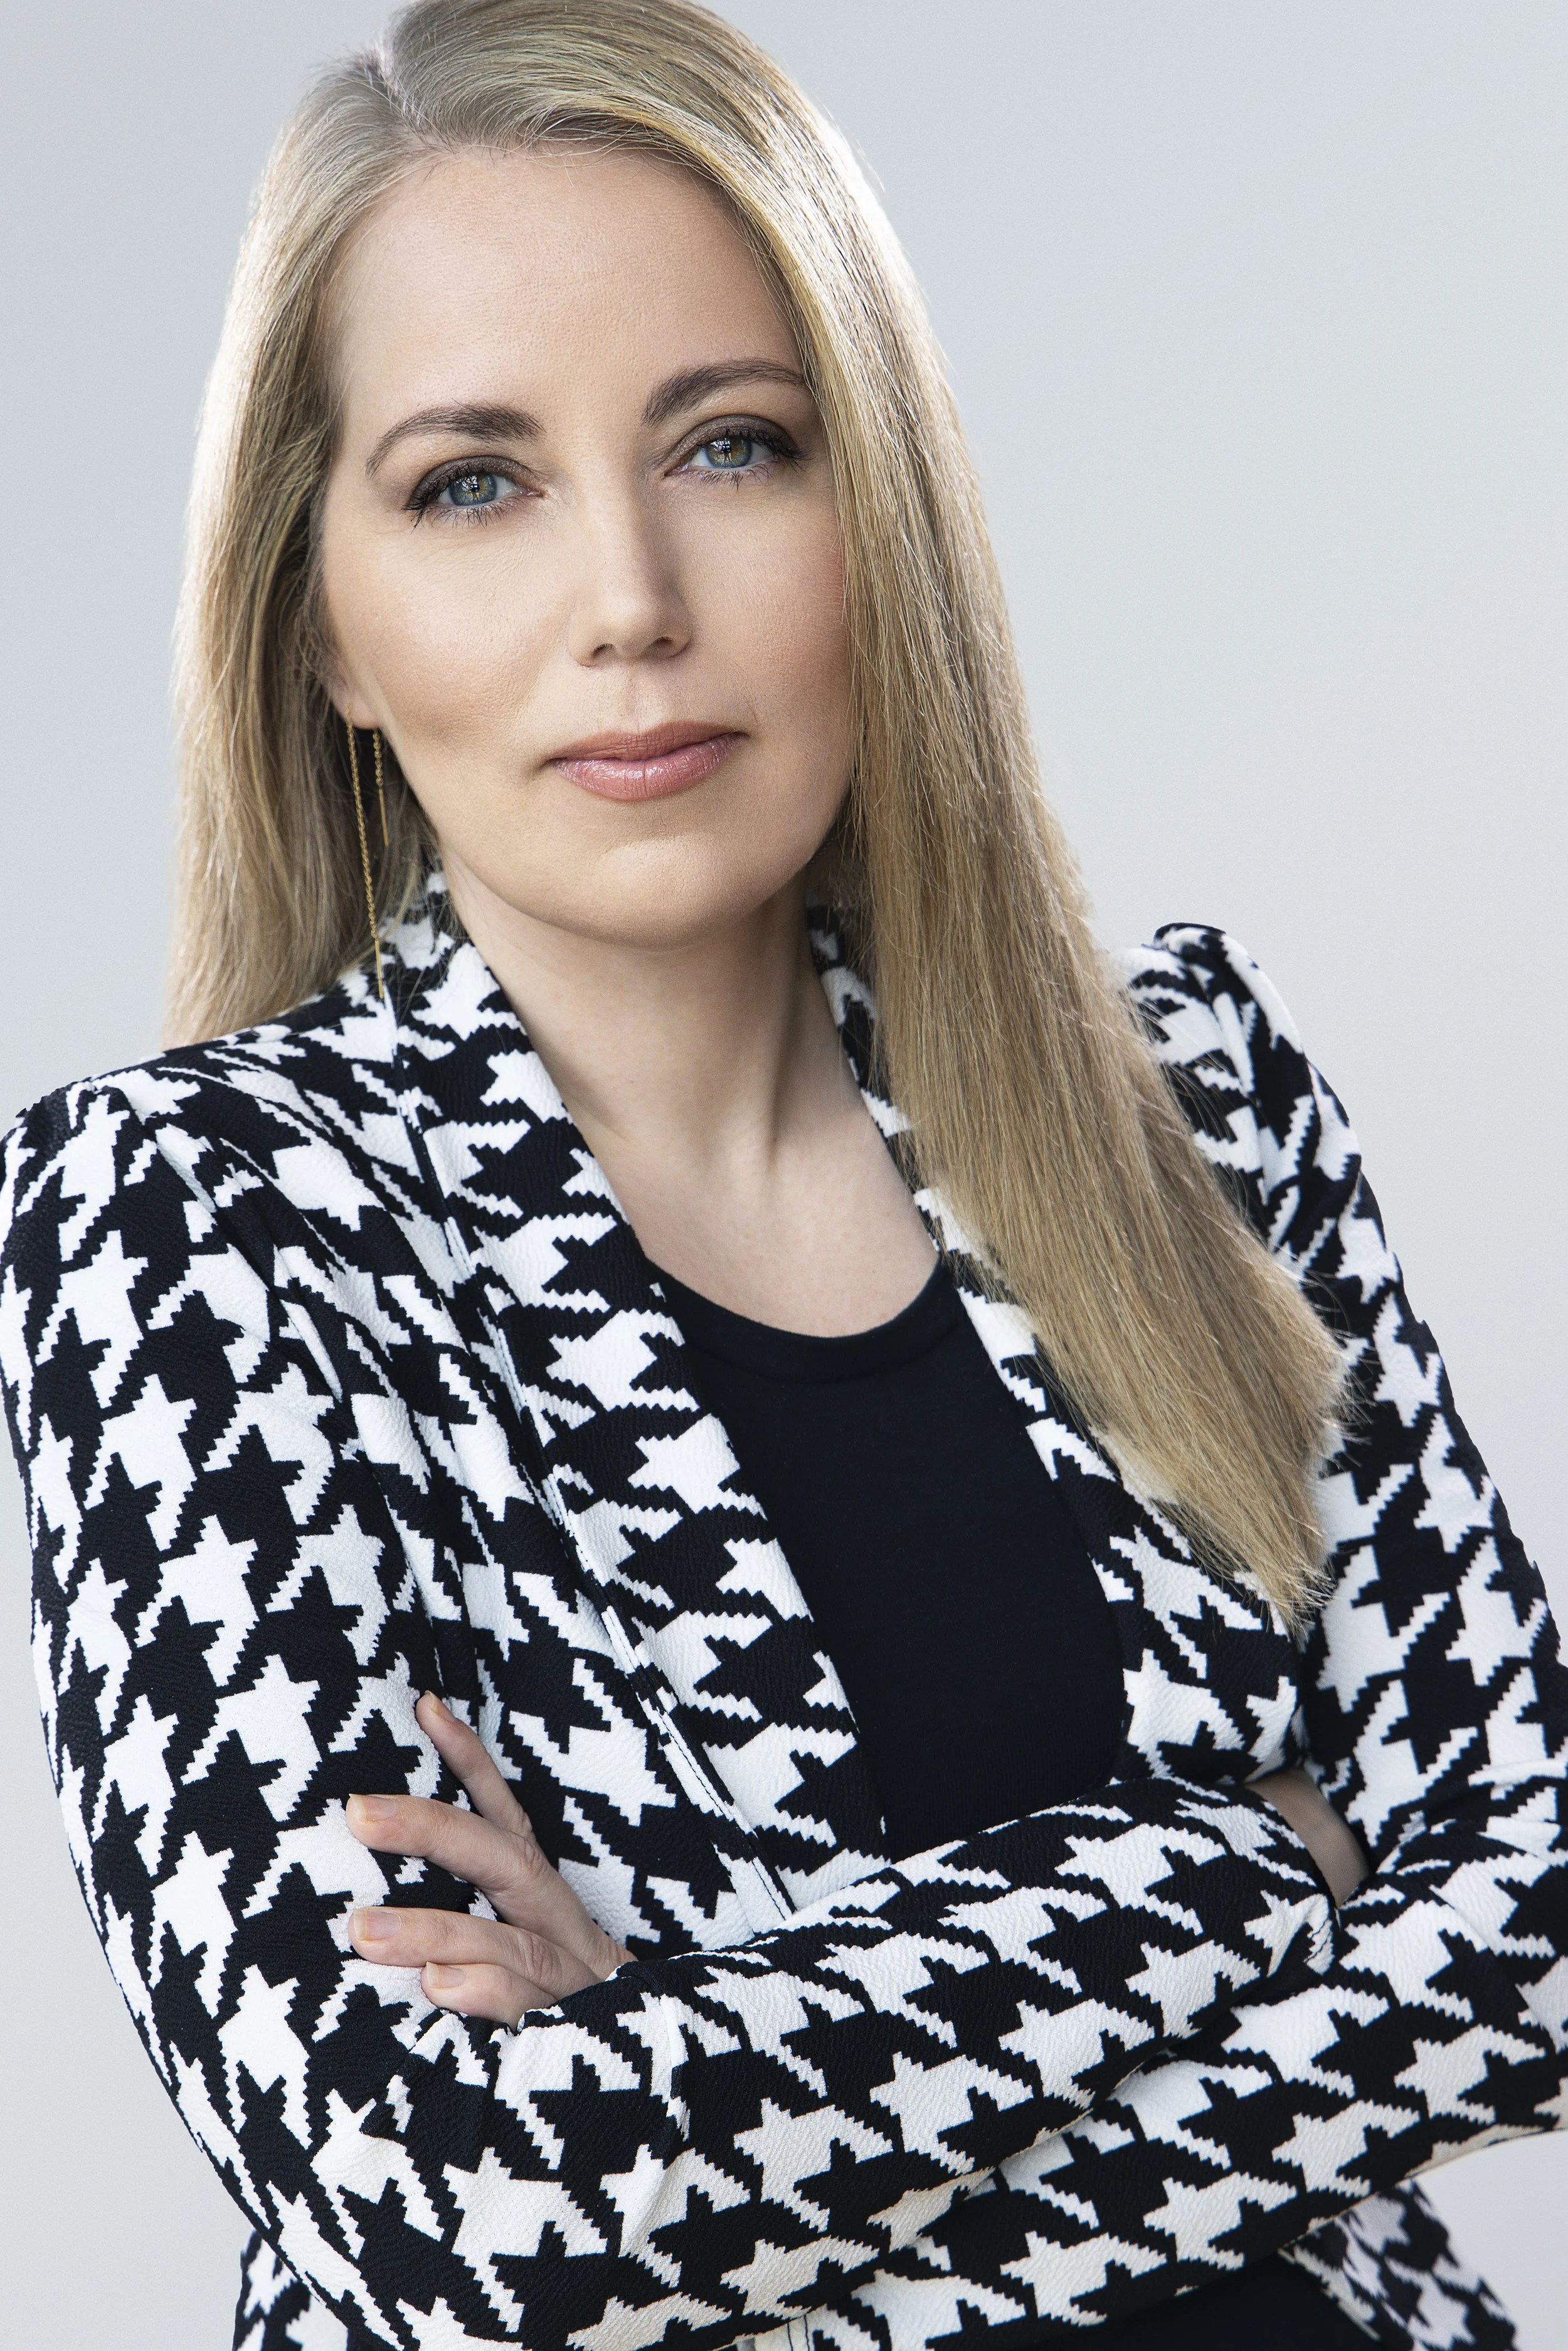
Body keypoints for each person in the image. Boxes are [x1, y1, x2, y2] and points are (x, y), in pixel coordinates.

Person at [2, 1, 1561, 2345]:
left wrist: (684, 2045)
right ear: (318, 618)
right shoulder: (195, 1222)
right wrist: (1248, 1869)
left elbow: (1533, 1929)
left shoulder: (1190, 1095)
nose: (629, 594)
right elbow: (467, 2214)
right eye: (471, 480)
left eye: (731, 444)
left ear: (882, 512)